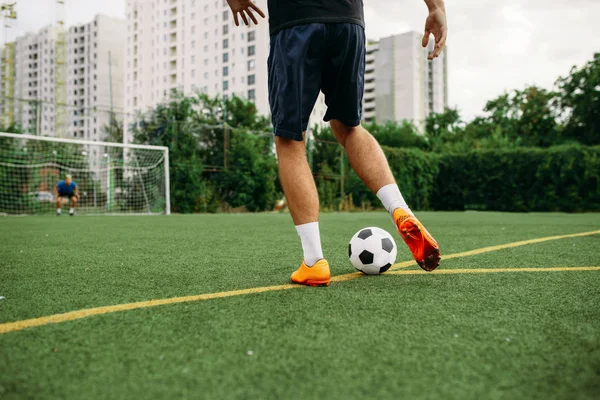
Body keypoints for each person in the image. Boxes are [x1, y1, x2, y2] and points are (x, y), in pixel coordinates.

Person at [226, 0, 448, 286]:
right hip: (348, 21)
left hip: (296, 21)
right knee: (349, 127)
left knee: (290, 139)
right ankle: (399, 208)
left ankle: (314, 261)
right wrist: (435, 7)